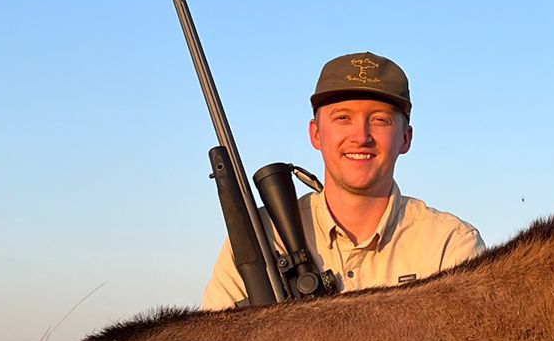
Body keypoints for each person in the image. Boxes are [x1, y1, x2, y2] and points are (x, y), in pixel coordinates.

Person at [202, 52, 484, 309]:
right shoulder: (260, 239)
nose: (361, 136)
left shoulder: (450, 245)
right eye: (343, 118)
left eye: (380, 120)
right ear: (316, 134)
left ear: (405, 138)